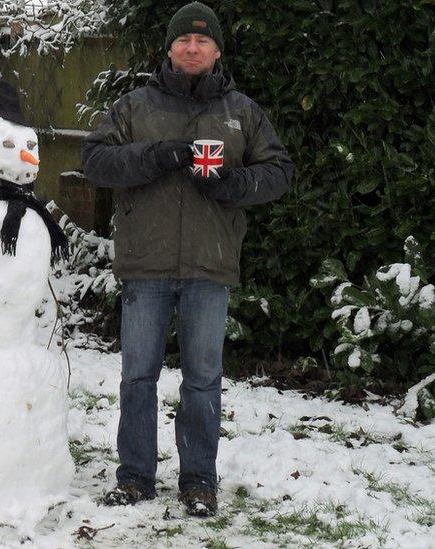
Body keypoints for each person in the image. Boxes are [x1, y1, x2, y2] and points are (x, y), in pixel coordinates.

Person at [81, 2, 293, 517]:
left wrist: (232, 184)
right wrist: (152, 157)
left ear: (217, 50)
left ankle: (200, 482)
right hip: (146, 265)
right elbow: (95, 161)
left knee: (202, 380)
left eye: (202, 41)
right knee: (138, 377)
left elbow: (279, 171)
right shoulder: (134, 106)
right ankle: (135, 478)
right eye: (183, 40)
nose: (192, 48)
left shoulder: (241, 111)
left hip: (210, 265)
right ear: (170, 48)